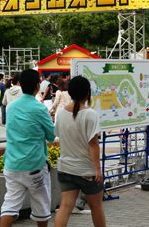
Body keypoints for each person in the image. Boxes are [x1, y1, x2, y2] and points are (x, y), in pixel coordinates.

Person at [0, 69, 56, 227]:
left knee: (10, 205)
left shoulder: (11, 107)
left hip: (12, 164)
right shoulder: (39, 108)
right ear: (38, 86)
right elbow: (51, 135)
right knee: (41, 205)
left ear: (20, 84)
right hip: (34, 165)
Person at [54, 76, 105, 227]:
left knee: (65, 207)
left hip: (66, 168)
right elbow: (93, 144)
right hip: (86, 170)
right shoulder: (90, 114)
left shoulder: (61, 113)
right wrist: (98, 169)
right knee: (96, 207)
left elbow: (58, 135)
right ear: (88, 93)